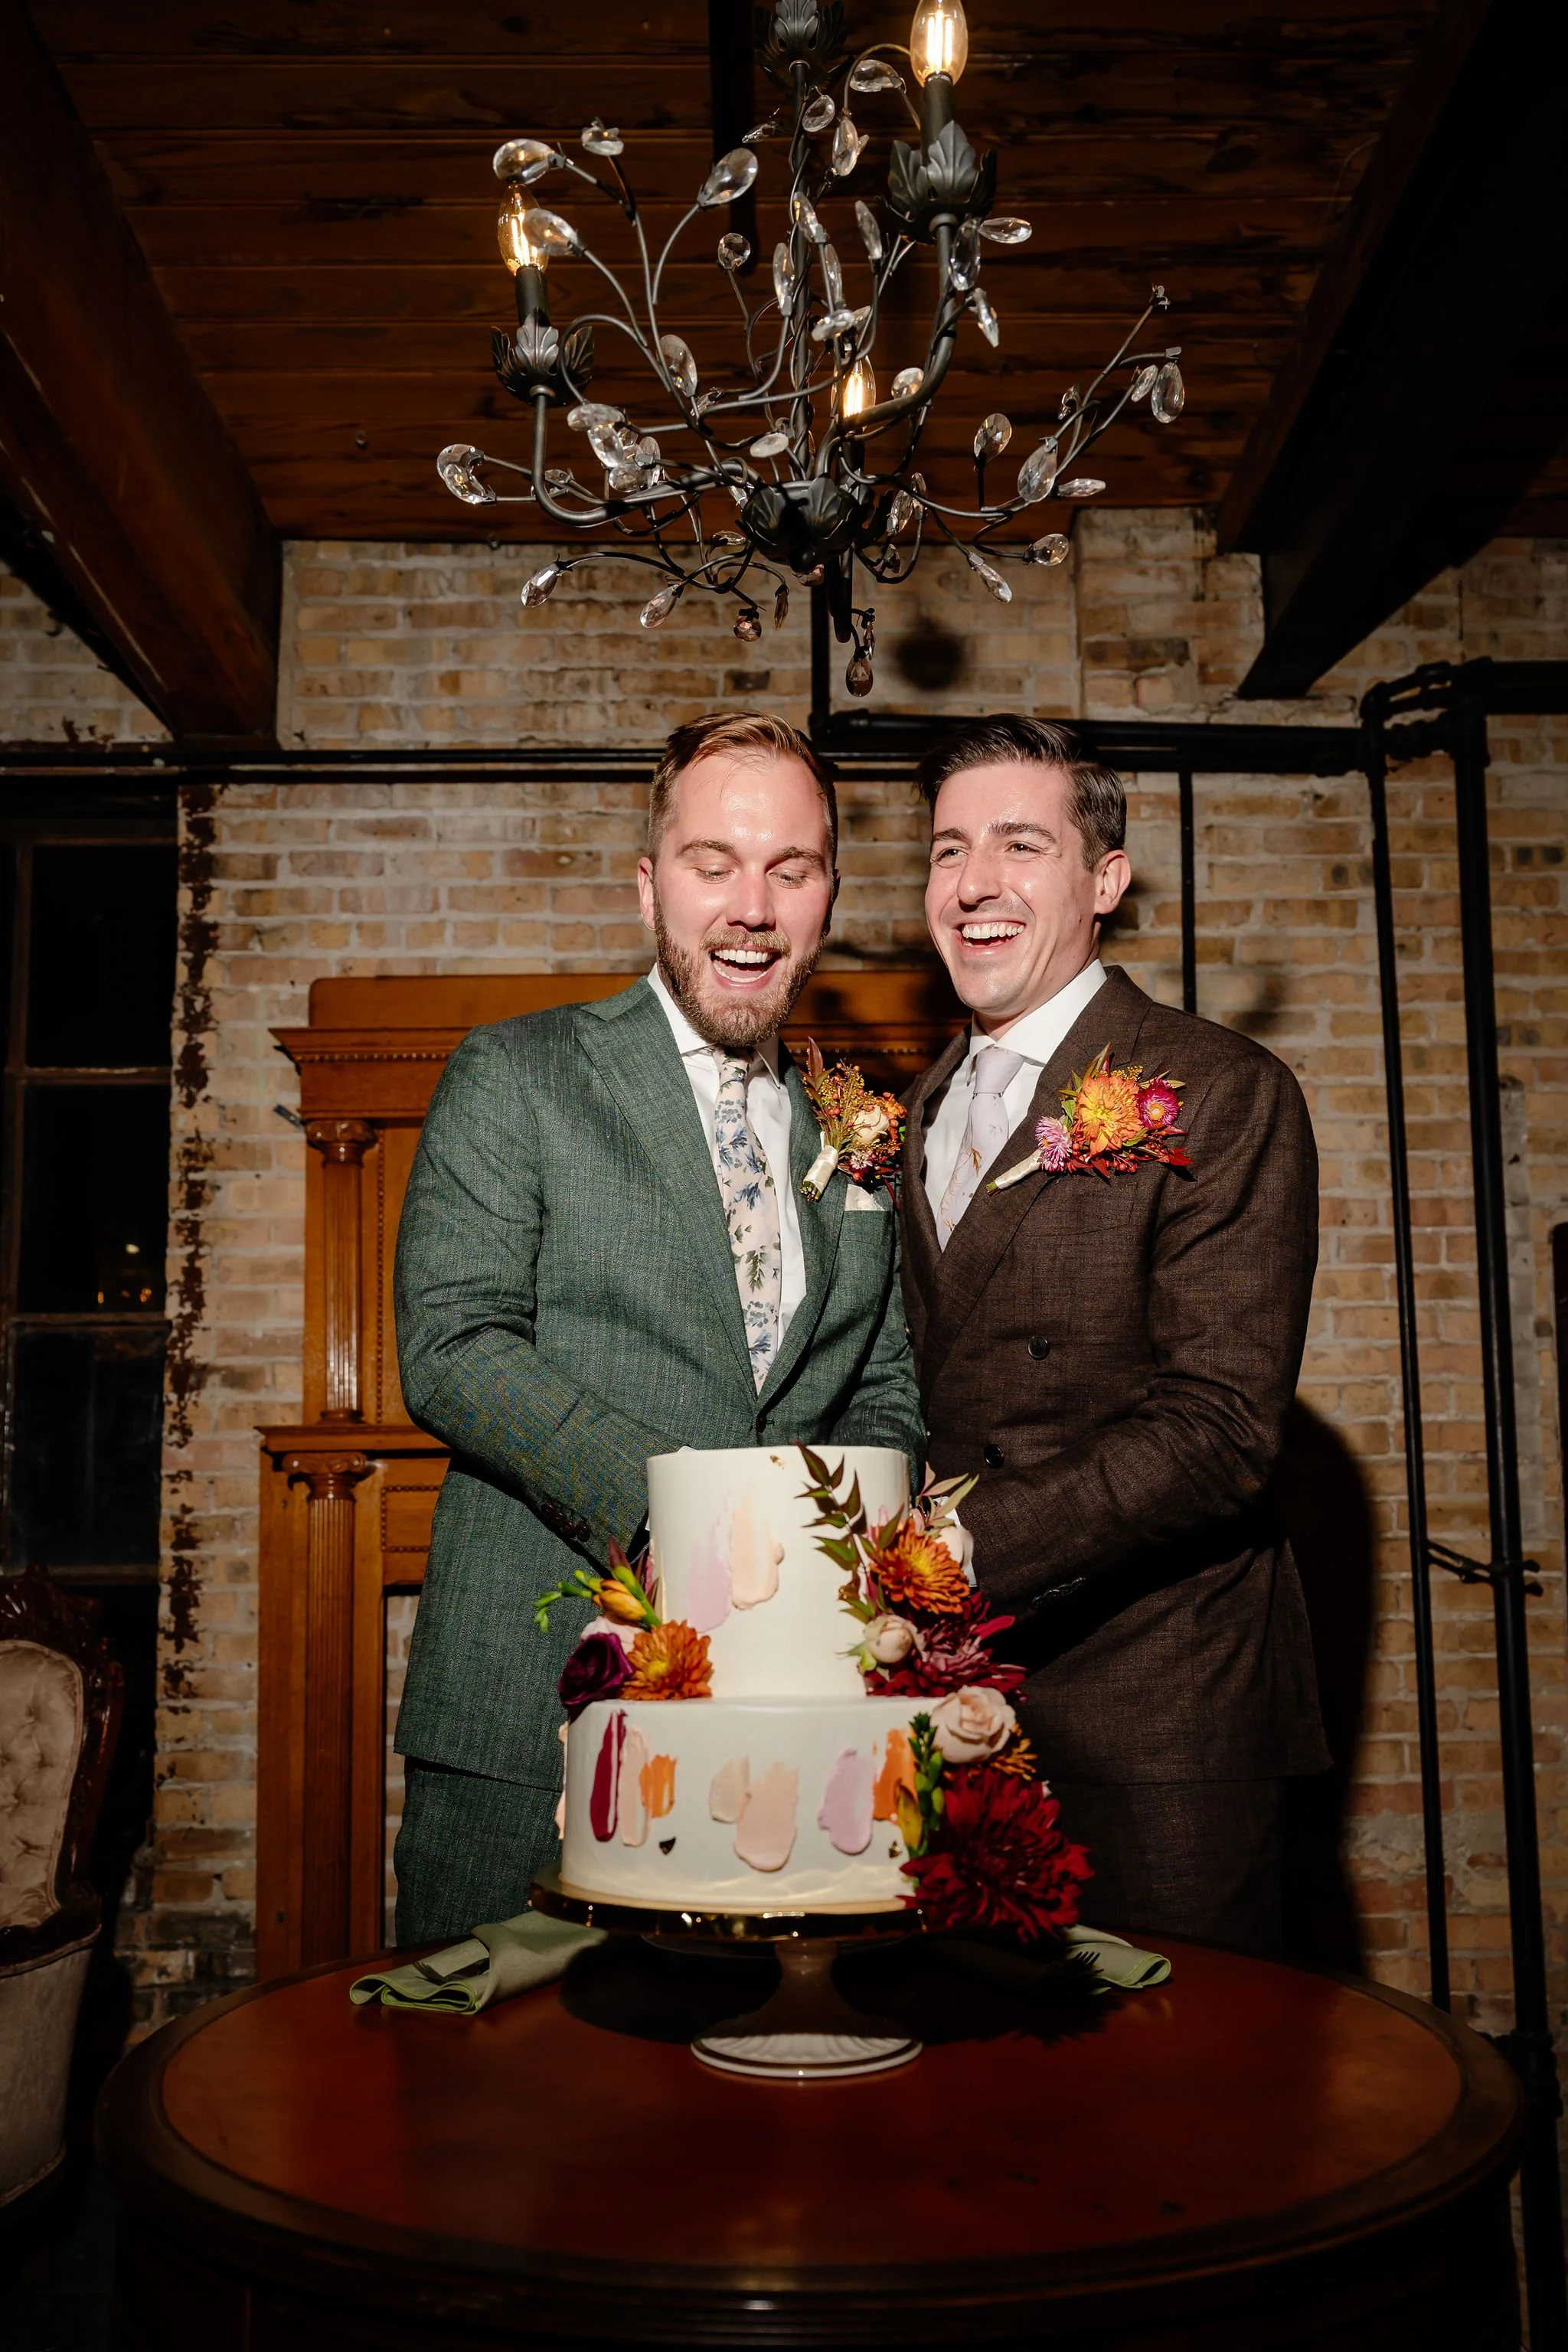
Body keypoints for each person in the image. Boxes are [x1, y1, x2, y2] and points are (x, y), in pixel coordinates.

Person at [391, 711, 923, 1941]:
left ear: (827, 896)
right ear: (650, 888)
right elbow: (453, 1345)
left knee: (755, 2096)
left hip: (798, 1724)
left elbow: (886, 1382)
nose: (752, 905)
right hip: (537, 1704)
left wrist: (844, 1571)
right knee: (490, 2100)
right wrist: (685, 1518)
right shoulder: (515, 1074)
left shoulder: (861, 1121)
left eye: (790, 870)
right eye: (713, 863)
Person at [901, 714, 1327, 1954]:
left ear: (1104, 880)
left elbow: (1220, 1432)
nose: (974, 883)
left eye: (1020, 845)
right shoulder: (913, 1112)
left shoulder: (1220, 1088)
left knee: (1181, 2097)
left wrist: (950, 1558)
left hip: (1163, 1705)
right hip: (947, 1698)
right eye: (947, 850)